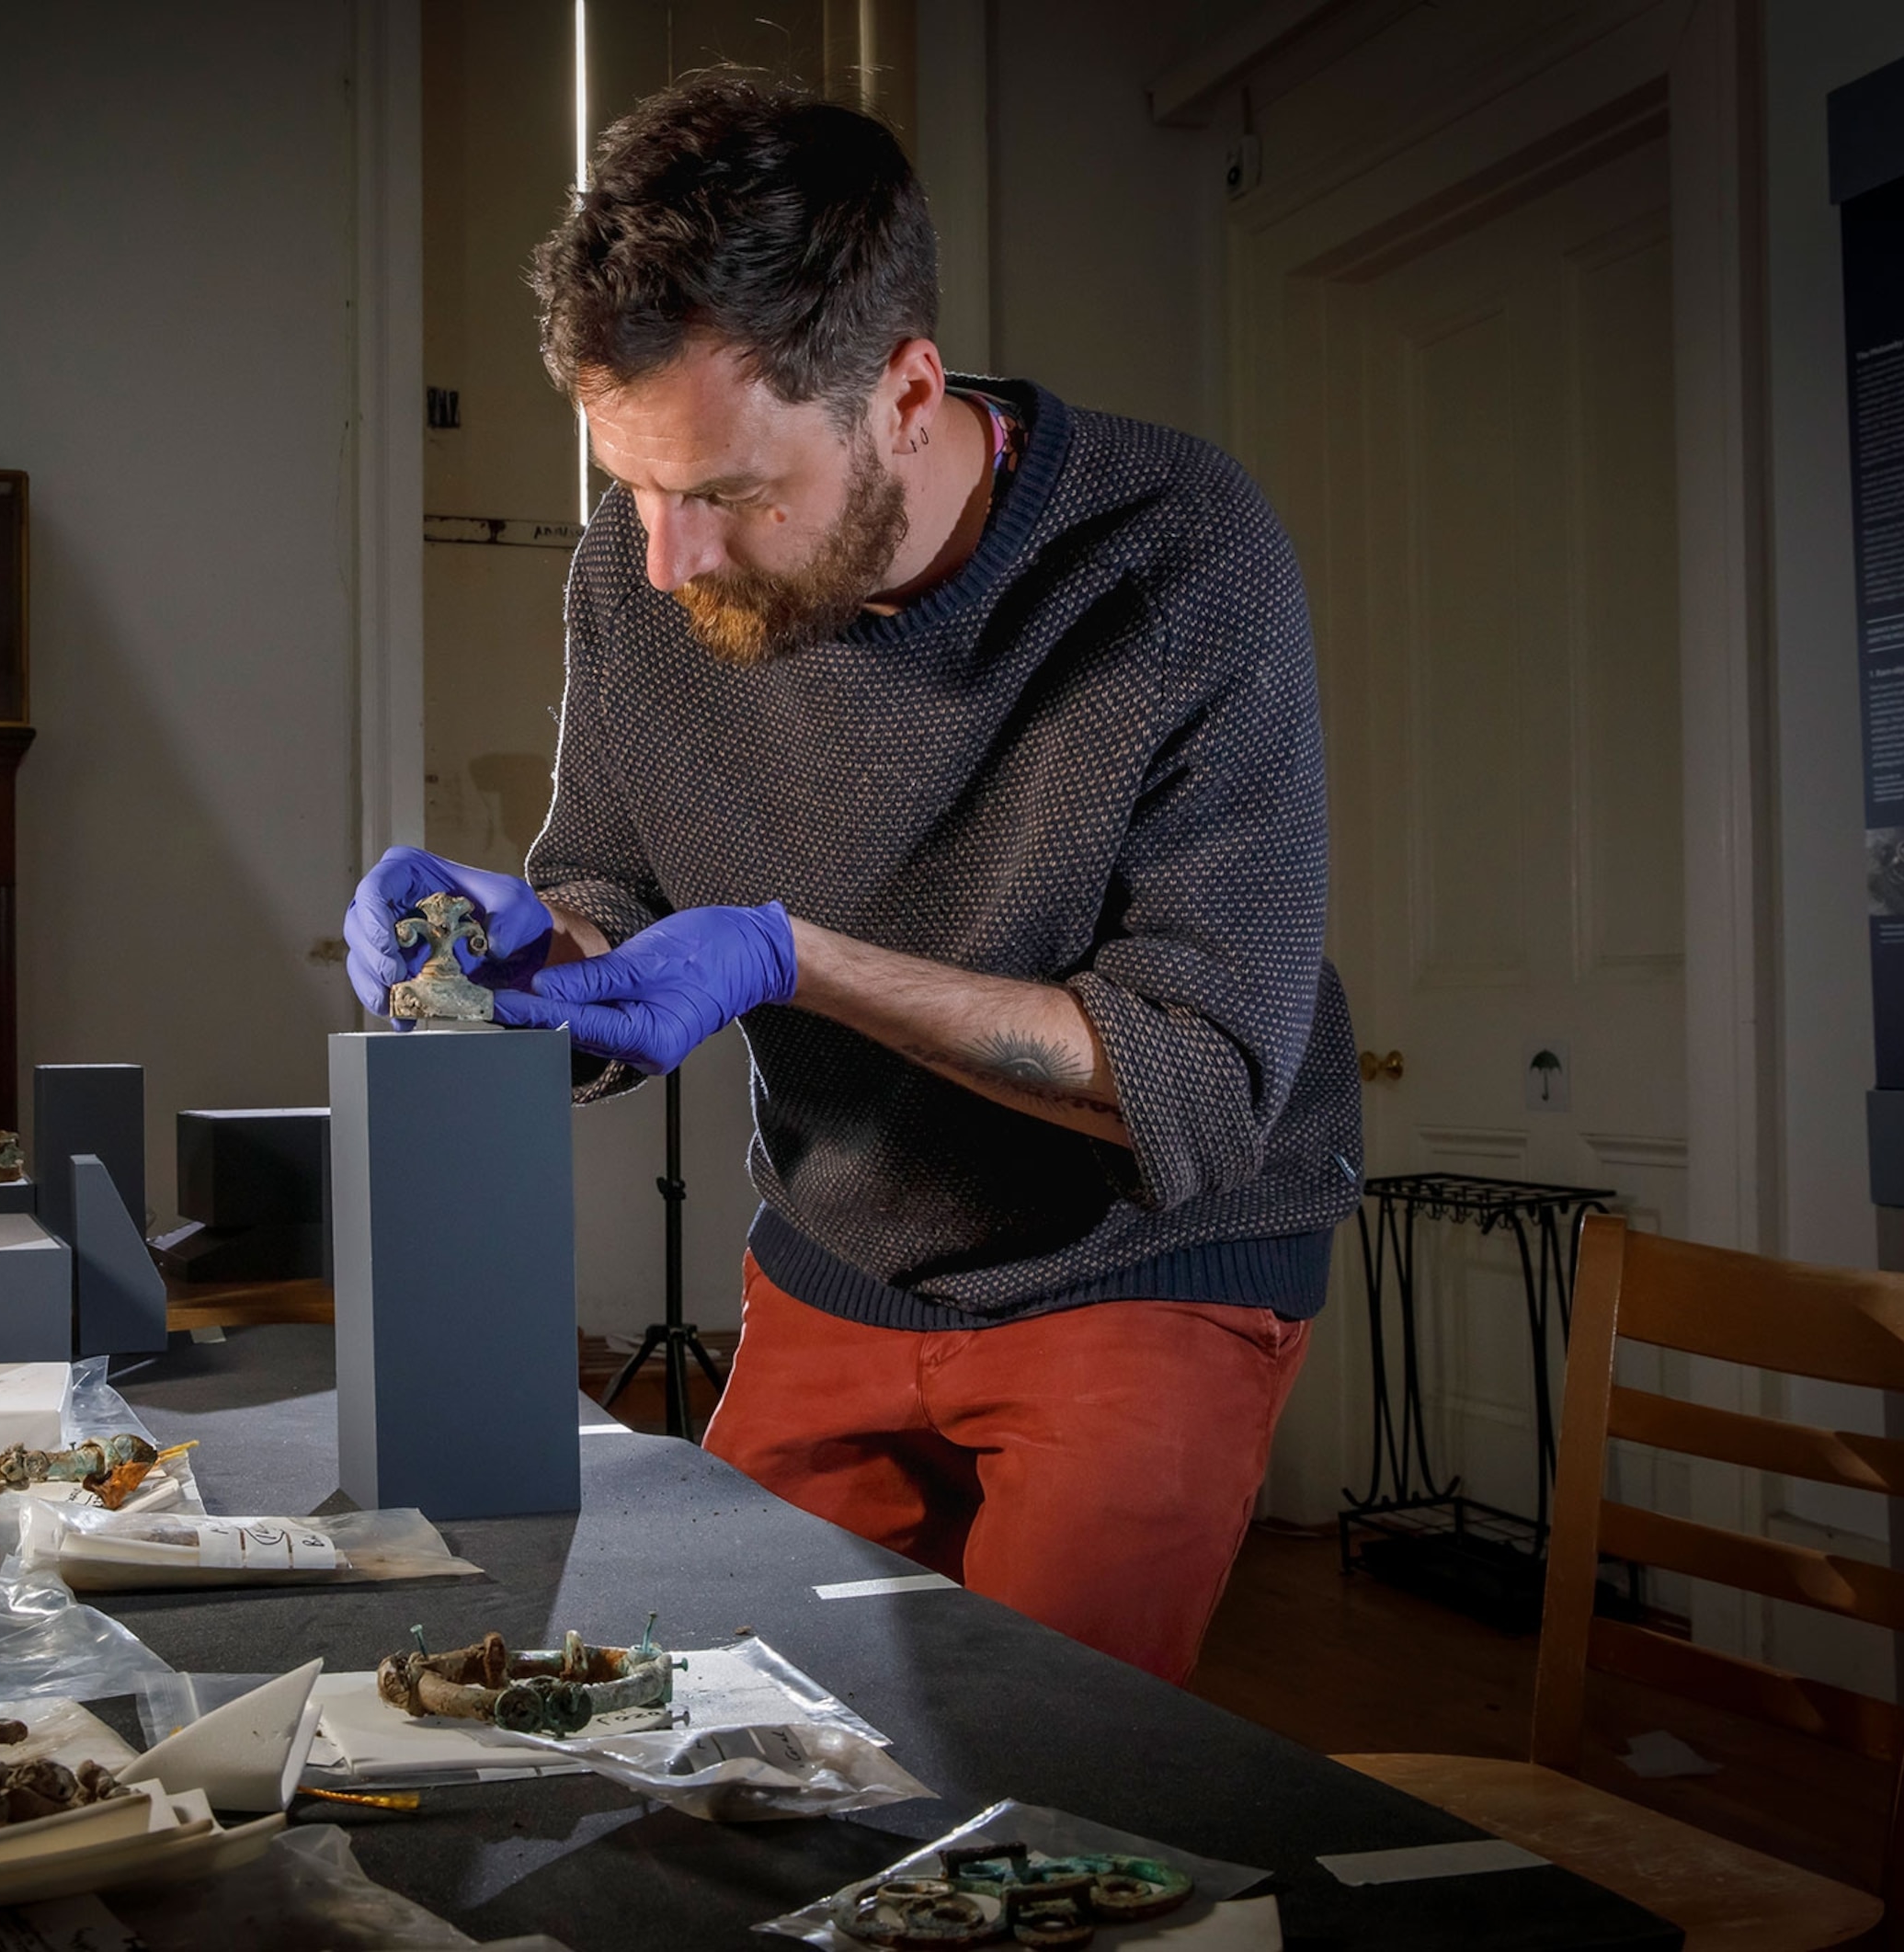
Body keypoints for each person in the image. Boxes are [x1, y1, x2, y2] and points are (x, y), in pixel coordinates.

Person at [341, 72, 1360, 1684]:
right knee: (694, 1731)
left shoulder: (1181, 555)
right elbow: (607, 894)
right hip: (838, 1260)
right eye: (635, 488)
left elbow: (1200, 1076)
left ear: (903, 393)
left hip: (1135, 1268)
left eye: (731, 495)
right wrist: (509, 960)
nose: (668, 558)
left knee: (1032, 1783)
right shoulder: (643, 567)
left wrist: (793, 960)